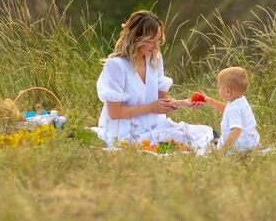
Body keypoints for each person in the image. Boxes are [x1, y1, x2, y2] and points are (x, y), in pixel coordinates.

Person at [92, 10, 214, 152]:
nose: (156, 47)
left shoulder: (154, 59)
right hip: (124, 131)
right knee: (182, 146)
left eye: (158, 40)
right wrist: (150, 108)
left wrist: (184, 103)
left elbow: (162, 102)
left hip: (154, 124)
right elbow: (114, 113)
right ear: (136, 38)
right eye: (150, 41)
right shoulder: (116, 65)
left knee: (200, 136)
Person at [202, 67, 260, 153]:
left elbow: (236, 130)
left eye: (219, 88)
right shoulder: (240, 101)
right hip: (251, 142)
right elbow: (226, 109)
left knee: (206, 150)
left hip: (239, 147)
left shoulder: (233, 108)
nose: (218, 90)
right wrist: (210, 101)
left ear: (228, 91)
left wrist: (224, 150)